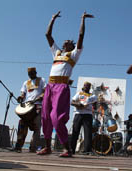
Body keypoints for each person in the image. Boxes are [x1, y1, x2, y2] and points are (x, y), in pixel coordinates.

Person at [38, 11, 94, 157]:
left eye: (69, 41)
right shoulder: (56, 53)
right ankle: (47, 147)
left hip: (61, 87)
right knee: (45, 117)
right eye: (65, 41)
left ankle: (67, 148)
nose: (66, 41)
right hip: (50, 86)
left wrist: (82, 19)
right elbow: (47, 35)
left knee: (56, 116)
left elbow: (81, 36)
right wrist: (52, 18)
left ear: (72, 46)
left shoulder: (74, 55)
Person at [14, 67, 46, 153]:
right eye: (29, 73)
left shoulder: (42, 80)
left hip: (37, 106)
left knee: (36, 127)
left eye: (32, 73)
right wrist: (21, 97)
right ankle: (19, 146)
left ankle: (33, 147)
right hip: (27, 106)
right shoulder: (26, 82)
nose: (31, 75)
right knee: (22, 125)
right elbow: (23, 93)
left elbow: (45, 91)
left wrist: (40, 97)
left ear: (35, 72)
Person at [71, 82, 97, 155]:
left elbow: (95, 105)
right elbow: (72, 102)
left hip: (88, 115)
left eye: (88, 86)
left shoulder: (92, 96)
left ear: (90, 87)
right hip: (78, 114)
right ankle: (72, 149)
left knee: (88, 133)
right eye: (85, 85)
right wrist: (78, 104)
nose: (86, 87)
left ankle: (87, 150)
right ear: (83, 86)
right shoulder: (79, 93)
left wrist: (94, 106)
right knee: (75, 131)